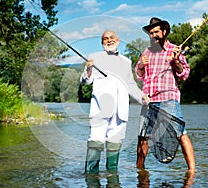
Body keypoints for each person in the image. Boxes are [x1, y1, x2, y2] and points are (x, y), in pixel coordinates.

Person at [80, 30, 148, 174]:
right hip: (100, 109)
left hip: (121, 111)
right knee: (95, 141)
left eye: (112, 38)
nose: (109, 40)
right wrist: (89, 69)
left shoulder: (126, 61)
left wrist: (142, 97)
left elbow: (131, 85)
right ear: (102, 42)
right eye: (105, 39)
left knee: (115, 144)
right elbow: (85, 81)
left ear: (118, 40)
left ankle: (112, 176)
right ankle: (91, 177)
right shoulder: (94, 57)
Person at [135, 17, 195, 171]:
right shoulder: (146, 52)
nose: (153, 35)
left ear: (164, 31)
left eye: (156, 32)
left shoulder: (174, 50)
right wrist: (141, 64)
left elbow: (184, 74)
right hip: (148, 101)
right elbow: (138, 75)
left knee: (180, 134)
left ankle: (192, 171)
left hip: (168, 99)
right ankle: (140, 171)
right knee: (143, 137)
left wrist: (176, 62)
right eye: (150, 33)